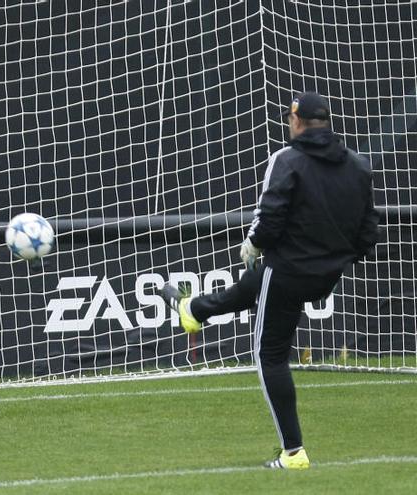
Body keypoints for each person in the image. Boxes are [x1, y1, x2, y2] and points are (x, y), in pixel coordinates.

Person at [160, 91, 379, 469]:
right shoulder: (359, 166)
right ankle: (194, 310)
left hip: (289, 271)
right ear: (326, 124)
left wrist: (254, 245)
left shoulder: (287, 160)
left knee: (269, 356)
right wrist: (336, 260)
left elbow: (271, 214)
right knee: (259, 282)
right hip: (327, 274)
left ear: (295, 122)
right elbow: (368, 232)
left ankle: (293, 452)